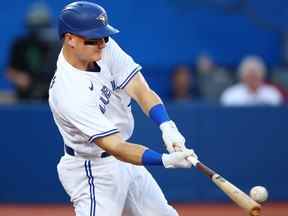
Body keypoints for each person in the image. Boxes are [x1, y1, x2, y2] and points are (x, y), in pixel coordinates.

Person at [48, 2, 198, 216]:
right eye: (93, 39)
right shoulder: (68, 91)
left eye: (104, 37)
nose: (101, 44)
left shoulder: (102, 48)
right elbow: (115, 146)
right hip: (92, 170)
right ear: (70, 38)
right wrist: (163, 160)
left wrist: (167, 126)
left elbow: (138, 88)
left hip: (126, 160)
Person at [6, 2, 59, 102]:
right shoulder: (20, 45)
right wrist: (20, 78)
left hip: (51, 96)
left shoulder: (56, 46)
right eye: (35, 27)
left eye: (42, 26)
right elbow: (10, 71)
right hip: (25, 96)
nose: (38, 31)